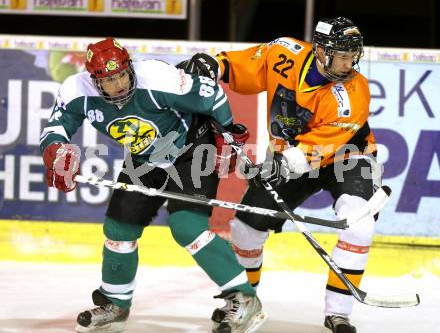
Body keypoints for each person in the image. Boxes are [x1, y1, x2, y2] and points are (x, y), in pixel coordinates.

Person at [40, 37, 268, 333]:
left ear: (130, 68)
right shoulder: (75, 90)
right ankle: (116, 304)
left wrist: (228, 132)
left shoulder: (158, 78)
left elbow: (213, 96)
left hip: (191, 150)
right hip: (144, 158)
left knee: (188, 228)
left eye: (122, 74)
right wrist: (56, 151)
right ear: (95, 81)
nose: (119, 84)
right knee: (119, 230)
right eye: (109, 80)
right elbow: (55, 128)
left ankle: (245, 299)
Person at [177, 17, 381, 333]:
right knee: (245, 228)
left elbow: (321, 147)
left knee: (359, 225)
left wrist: (282, 163)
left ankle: (338, 312)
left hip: (348, 157)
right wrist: (213, 67)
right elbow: (245, 66)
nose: (349, 62)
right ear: (321, 51)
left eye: (353, 55)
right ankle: (243, 302)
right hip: (290, 156)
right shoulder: (284, 52)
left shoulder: (355, 91)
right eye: (342, 54)